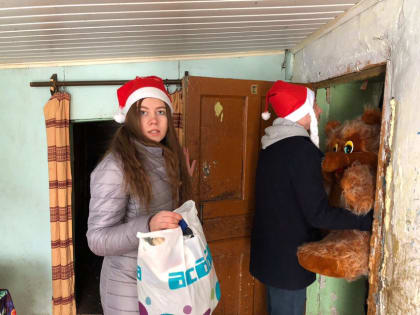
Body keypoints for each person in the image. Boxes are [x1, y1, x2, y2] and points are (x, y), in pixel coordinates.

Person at [249, 80, 373, 315]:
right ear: (302, 110)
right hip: (288, 262)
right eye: (314, 105)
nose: (319, 110)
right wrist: (366, 220)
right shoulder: (300, 150)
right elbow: (318, 215)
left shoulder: (271, 146)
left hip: (271, 255)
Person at [87, 76, 194, 315]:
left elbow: (167, 212)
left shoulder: (165, 157)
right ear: (131, 119)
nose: (154, 120)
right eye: (144, 112)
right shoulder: (115, 167)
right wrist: (148, 225)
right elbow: (96, 240)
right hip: (127, 287)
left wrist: (182, 179)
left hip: (161, 276)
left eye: (160, 111)